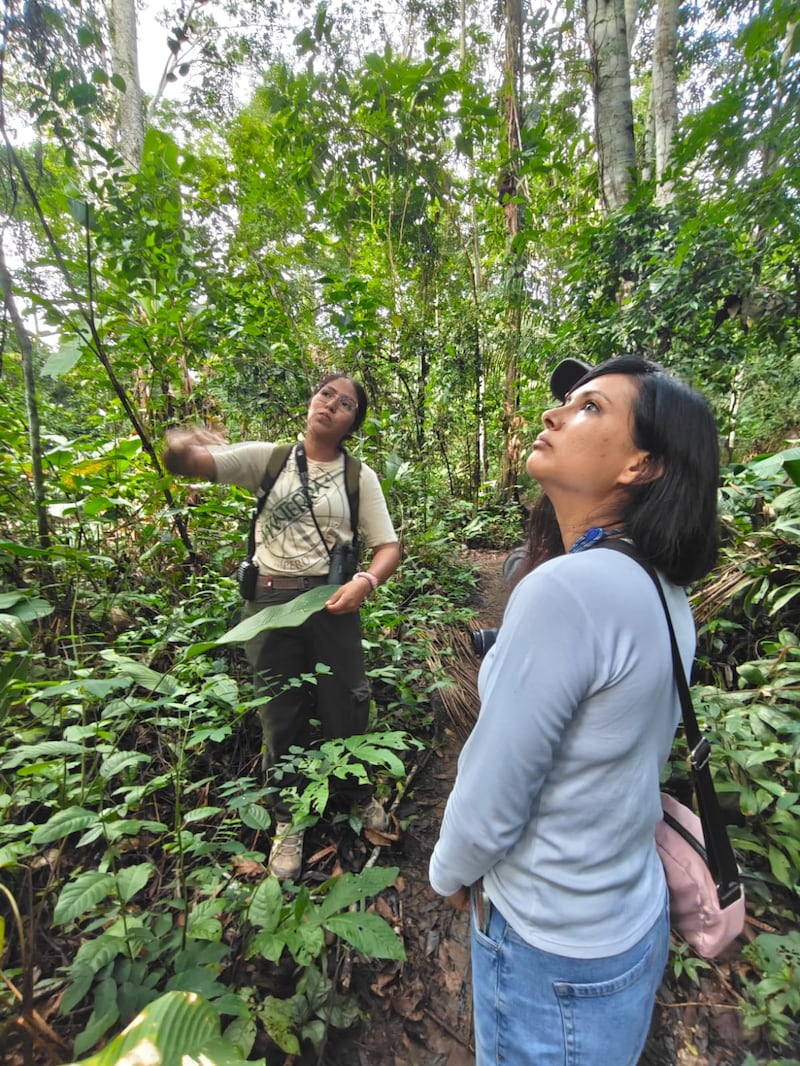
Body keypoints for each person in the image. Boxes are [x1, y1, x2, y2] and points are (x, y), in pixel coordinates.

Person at [429, 354, 720, 1065]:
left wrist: (445, 873)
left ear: (641, 467)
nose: (555, 413)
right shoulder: (659, 589)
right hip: (624, 922)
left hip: (549, 952)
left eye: (591, 407)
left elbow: (493, 795)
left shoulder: (570, 592)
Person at [163, 372, 401, 880]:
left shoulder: (360, 477)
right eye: (325, 395)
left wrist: (366, 582)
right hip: (269, 606)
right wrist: (181, 444)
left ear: (353, 421)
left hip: (332, 602)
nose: (331, 405)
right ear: (312, 401)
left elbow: (388, 546)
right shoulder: (268, 459)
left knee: (347, 701)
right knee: (280, 712)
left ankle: (356, 796)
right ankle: (288, 817)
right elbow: (190, 464)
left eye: (345, 403)